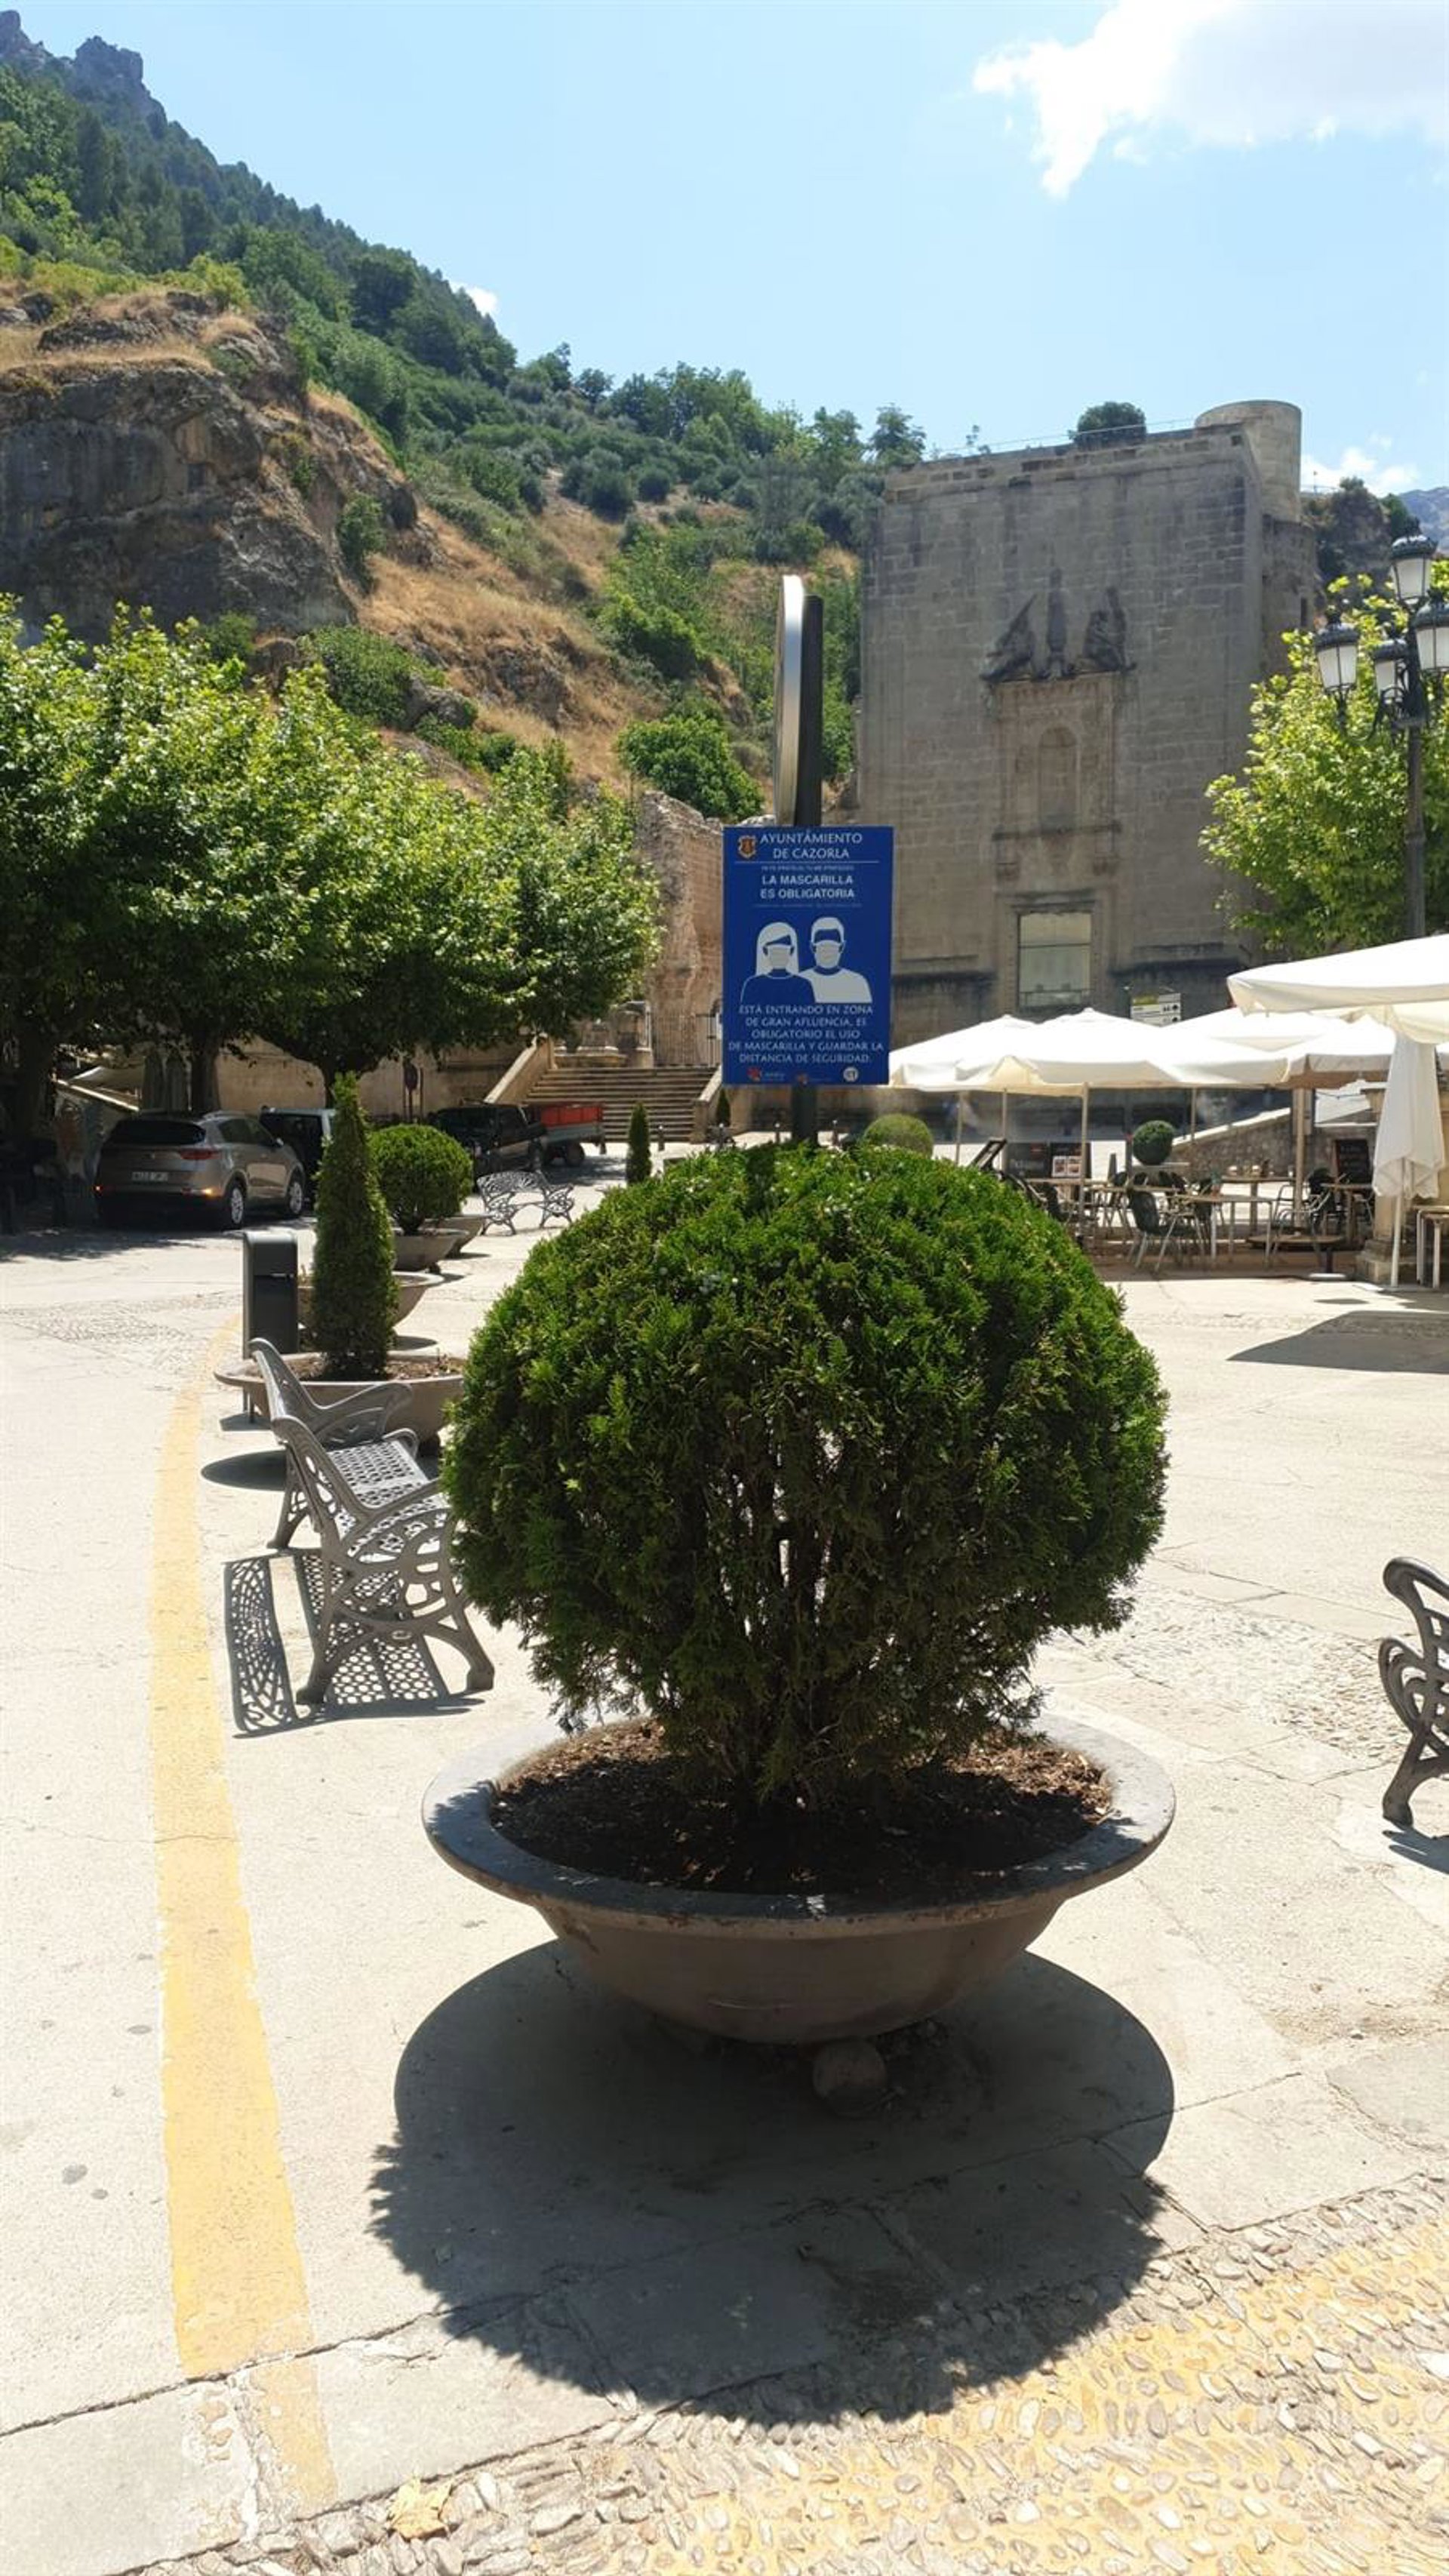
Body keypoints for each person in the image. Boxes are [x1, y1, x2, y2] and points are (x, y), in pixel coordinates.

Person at [740, 922, 814, 1011]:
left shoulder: (803, 985)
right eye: (774, 951)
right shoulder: (753, 985)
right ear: (765, 952)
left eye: (783, 951)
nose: (779, 956)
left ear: (791, 951)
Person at [803, 916, 872, 1005]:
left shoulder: (857, 983)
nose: (827, 952)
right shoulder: (801, 981)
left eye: (832, 946)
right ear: (813, 947)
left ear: (842, 947)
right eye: (822, 946)